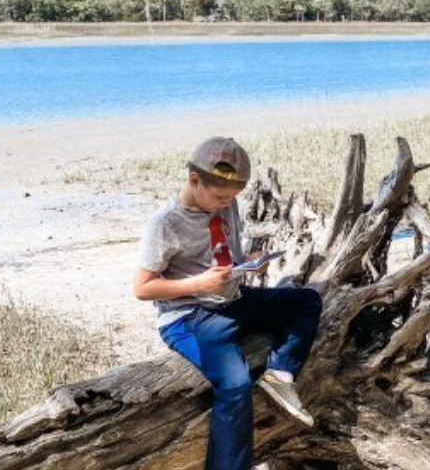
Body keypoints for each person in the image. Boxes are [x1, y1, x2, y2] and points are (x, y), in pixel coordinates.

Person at [133, 137, 323, 470]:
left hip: (232, 301)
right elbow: (142, 288)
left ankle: (280, 374)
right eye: (220, 197)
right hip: (188, 318)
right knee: (235, 384)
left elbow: (227, 259)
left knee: (306, 301)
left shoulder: (225, 205)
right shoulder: (165, 223)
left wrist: (250, 261)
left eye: (232, 198)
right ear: (194, 180)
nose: (226, 203)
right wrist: (198, 283)